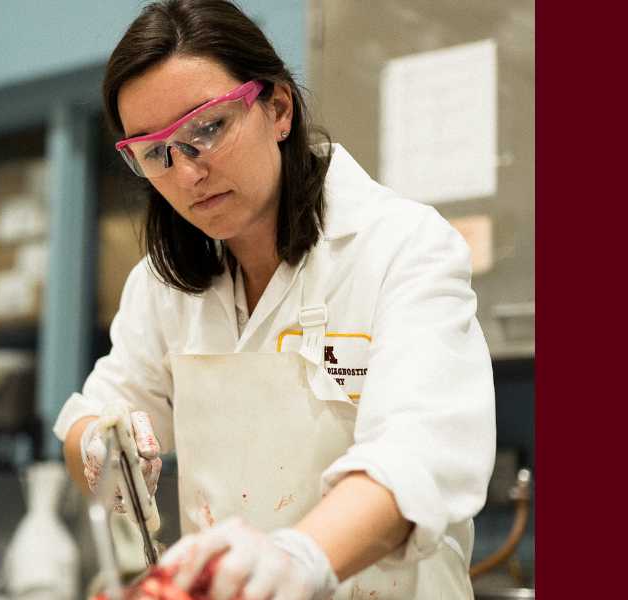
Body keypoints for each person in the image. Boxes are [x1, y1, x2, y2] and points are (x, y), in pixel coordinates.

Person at [53, 1, 496, 599]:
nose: (187, 173)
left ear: (278, 108)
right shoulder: (164, 288)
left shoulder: (400, 248)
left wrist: (298, 558)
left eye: (206, 128)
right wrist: (103, 448)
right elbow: (96, 416)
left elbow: (417, 456)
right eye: (156, 153)